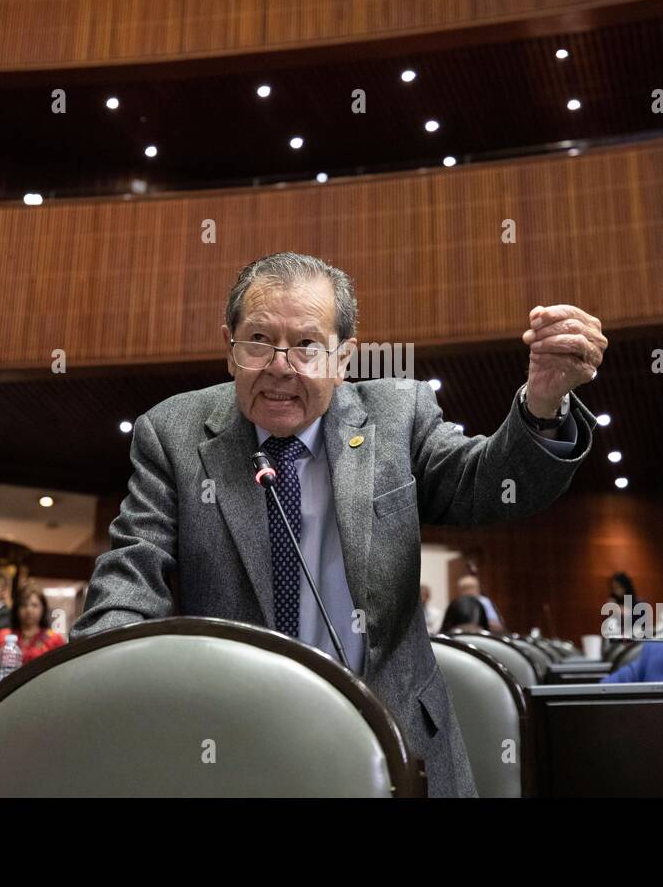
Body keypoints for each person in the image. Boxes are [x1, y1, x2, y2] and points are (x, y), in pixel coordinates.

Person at [73, 252, 606, 796]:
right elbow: (133, 572)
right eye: (258, 339)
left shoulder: (398, 415)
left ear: (344, 357)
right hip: (231, 747)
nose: (280, 365)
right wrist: (99, 673)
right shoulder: (172, 434)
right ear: (230, 350)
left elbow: (487, 485)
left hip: (394, 741)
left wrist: (543, 404)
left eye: (307, 345)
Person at [0, 584, 67, 686]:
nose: (29, 610)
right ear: (16, 609)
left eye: (34, 605)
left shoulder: (54, 639)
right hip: (6, 693)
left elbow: (62, 674)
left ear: (43, 609)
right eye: (24, 605)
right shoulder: (4, 636)